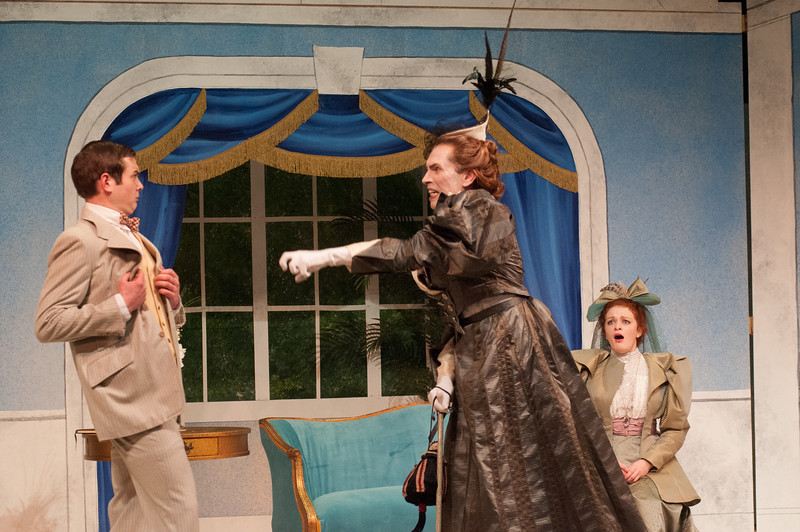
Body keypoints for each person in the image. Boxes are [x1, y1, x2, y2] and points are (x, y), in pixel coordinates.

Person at [279, 128, 646, 531]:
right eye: (427, 169)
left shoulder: (479, 208)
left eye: (436, 169)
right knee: (493, 470)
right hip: (484, 344)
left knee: (514, 467)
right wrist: (446, 378)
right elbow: (463, 316)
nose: (426, 178)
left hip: (509, 343)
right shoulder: (456, 226)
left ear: (468, 176)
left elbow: (407, 253)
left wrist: (323, 257)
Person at [35, 141, 199, 531]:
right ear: (107, 181)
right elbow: (48, 322)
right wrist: (120, 305)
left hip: (152, 391)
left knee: (132, 512)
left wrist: (174, 303)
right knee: (179, 515)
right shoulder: (80, 241)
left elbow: (152, 318)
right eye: (134, 175)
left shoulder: (135, 238)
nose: (141, 185)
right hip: (132, 399)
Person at [573, 279, 700, 531]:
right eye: (611, 322)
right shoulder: (588, 368)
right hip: (600, 461)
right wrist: (604, 460)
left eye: (625, 321)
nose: (617, 326)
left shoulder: (665, 370)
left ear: (640, 330)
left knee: (648, 510)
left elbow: (675, 430)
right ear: (604, 331)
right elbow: (575, 425)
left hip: (650, 464)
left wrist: (646, 462)